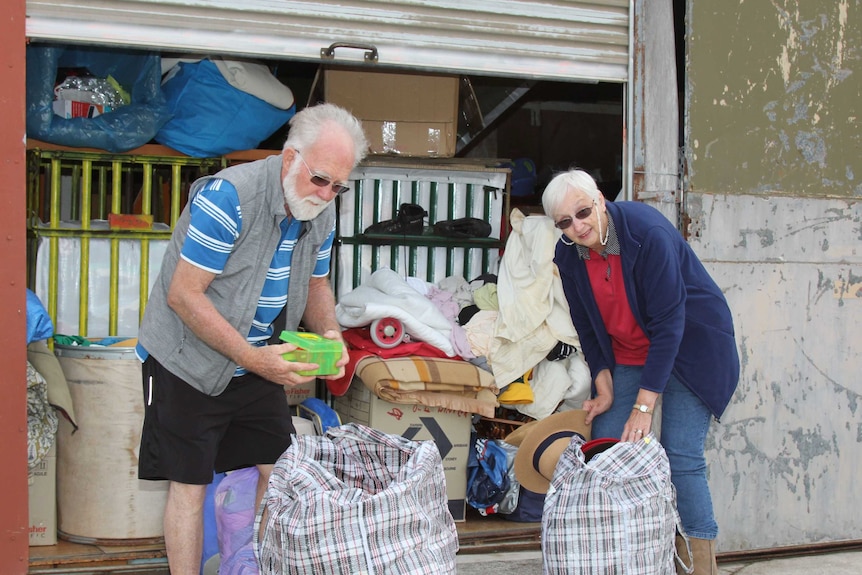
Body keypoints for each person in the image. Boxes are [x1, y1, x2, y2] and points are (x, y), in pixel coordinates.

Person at [135, 103, 368, 575]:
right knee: (189, 483)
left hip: (255, 357)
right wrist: (256, 359)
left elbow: (315, 284)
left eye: (338, 186)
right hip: (188, 360)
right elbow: (183, 295)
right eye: (320, 179)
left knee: (277, 471)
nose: (326, 194)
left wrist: (329, 334)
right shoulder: (228, 199)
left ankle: (251, 566)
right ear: (289, 159)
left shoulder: (320, 213)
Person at [542, 169, 739, 575]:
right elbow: (586, 324)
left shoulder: (647, 233)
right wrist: (604, 383)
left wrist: (644, 406)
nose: (577, 226)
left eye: (582, 212)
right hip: (631, 352)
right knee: (606, 450)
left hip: (690, 347)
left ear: (599, 199)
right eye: (564, 221)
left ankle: (700, 566)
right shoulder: (568, 254)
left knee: (681, 457)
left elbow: (670, 323)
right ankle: (628, 556)